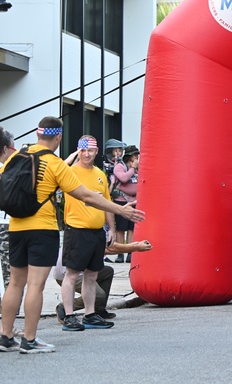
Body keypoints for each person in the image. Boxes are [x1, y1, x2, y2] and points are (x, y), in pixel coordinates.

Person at [1, 118, 144, 354]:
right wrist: (120, 209)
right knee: (35, 286)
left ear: (38, 135)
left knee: (15, 284)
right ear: (58, 138)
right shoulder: (55, 164)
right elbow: (86, 195)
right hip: (42, 230)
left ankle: (5, 337)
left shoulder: (16, 157)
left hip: (15, 228)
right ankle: (29, 339)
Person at [57, 135, 119, 331]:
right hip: (76, 230)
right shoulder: (70, 172)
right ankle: (68, 316)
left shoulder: (100, 174)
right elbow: (57, 171)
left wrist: (112, 229)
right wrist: (72, 156)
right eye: (82, 150)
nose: (86, 154)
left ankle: (90, 315)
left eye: (90, 150)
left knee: (92, 275)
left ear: (96, 151)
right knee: (72, 274)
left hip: (97, 232)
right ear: (77, 151)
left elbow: (107, 204)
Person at [111, 144, 141, 260]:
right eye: (135, 155)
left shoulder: (139, 167)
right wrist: (133, 168)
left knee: (131, 228)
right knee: (121, 228)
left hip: (134, 201)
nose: (137, 157)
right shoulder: (120, 166)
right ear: (130, 157)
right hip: (122, 201)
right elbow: (124, 178)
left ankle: (130, 252)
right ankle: (120, 253)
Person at [0, 125, 15, 290]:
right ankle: (11, 309)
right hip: (6, 224)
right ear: (5, 148)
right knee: (10, 272)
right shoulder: (9, 170)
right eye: (13, 147)